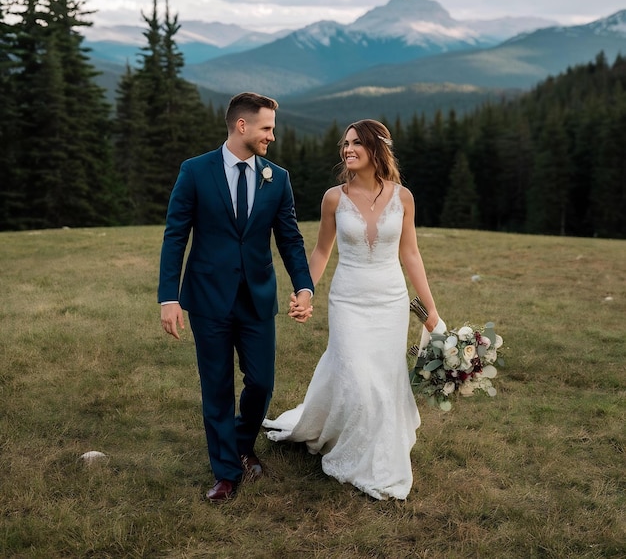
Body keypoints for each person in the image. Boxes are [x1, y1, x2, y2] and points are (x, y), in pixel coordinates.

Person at [263, 119, 445, 500]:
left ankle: (379, 452)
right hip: (348, 300)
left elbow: (410, 253)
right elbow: (322, 251)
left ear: (376, 149)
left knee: (383, 380)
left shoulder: (403, 197)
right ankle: (349, 446)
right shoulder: (334, 197)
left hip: (391, 301)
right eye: (344, 143)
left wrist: (428, 307)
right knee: (358, 378)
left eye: (356, 143)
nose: (347, 149)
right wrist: (305, 292)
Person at [158, 92, 314, 502]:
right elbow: (176, 236)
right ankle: (226, 473)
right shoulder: (194, 171)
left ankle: (243, 443)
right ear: (241, 126)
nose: (272, 137)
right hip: (207, 297)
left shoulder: (276, 178)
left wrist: (304, 286)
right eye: (267, 128)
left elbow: (290, 240)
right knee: (216, 386)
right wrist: (168, 297)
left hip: (258, 298)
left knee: (261, 382)